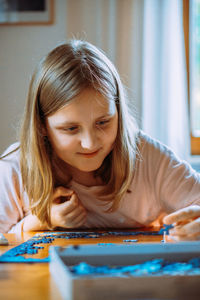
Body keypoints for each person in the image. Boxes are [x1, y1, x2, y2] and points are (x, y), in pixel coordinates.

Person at [0, 39, 200, 241]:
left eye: (103, 122)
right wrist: (40, 220)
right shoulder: (16, 166)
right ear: (42, 125)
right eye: (70, 128)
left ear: (118, 113)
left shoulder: (149, 156)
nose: (90, 143)